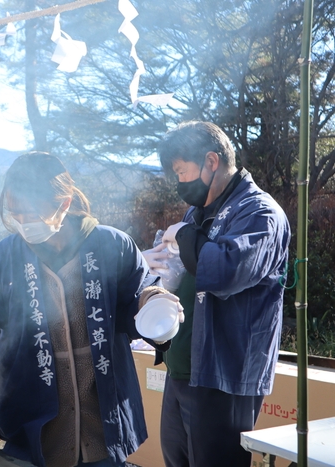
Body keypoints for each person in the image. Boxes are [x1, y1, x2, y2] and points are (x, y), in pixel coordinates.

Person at [0, 152, 182, 467]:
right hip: (34, 434)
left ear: (64, 204)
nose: (23, 224)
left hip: (103, 432)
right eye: (16, 214)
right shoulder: (5, 260)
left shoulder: (112, 245)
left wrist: (156, 302)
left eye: (31, 213)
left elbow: (139, 294)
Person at [146, 121, 291, 467]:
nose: (180, 183)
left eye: (182, 171)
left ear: (211, 162)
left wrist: (183, 240)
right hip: (183, 368)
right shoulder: (197, 213)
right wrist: (161, 271)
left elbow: (227, 270)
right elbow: (184, 267)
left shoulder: (260, 212)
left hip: (226, 375)